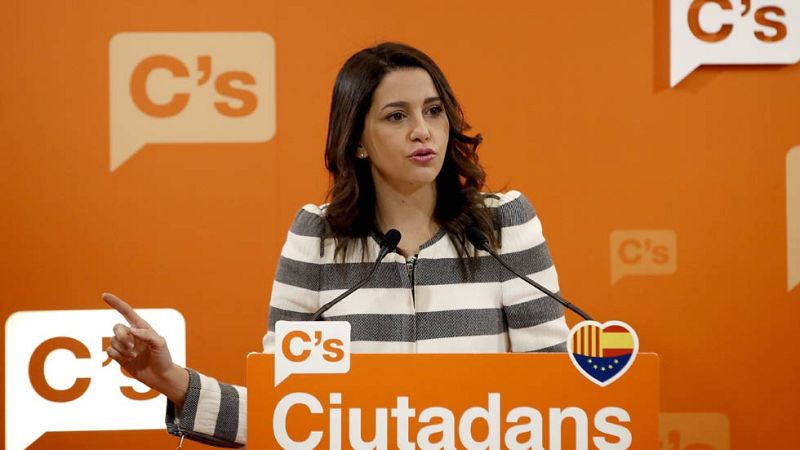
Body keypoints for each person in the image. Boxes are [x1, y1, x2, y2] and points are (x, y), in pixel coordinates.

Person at [104, 42, 569, 447]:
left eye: (433, 110)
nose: (422, 130)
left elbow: (558, 401)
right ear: (358, 140)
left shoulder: (502, 226)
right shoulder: (317, 241)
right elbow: (285, 413)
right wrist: (173, 381)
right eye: (396, 116)